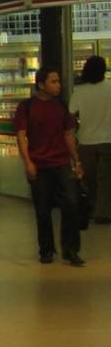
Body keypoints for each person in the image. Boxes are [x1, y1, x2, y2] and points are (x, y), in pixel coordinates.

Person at [15, 66, 84, 265]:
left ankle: (70, 249)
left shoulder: (61, 105)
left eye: (58, 81)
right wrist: (28, 162)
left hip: (61, 162)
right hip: (39, 164)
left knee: (71, 204)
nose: (58, 85)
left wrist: (76, 161)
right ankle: (46, 249)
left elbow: (68, 134)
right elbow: (21, 135)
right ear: (41, 85)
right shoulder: (27, 107)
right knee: (43, 208)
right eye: (53, 82)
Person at [71, 54, 111, 224]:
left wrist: (77, 129)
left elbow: (70, 114)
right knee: (105, 178)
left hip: (86, 140)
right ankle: (103, 212)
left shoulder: (79, 91)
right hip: (107, 140)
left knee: (89, 178)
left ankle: (92, 208)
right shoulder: (109, 88)